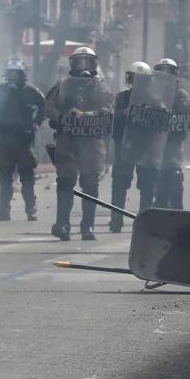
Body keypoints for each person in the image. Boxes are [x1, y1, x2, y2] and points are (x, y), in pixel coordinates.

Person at [45, 46, 114, 241]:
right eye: (79, 61)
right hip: (68, 140)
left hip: (91, 142)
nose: (83, 66)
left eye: (87, 61)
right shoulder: (62, 85)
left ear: (94, 64)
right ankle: (63, 224)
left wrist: (85, 115)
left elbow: (108, 111)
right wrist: (62, 117)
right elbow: (49, 107)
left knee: (90, 184)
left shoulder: (101, 86)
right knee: (65, 182)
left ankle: (88, 227)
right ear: (72, 64)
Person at [0, 58, 45, 222]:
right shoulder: (0, 90)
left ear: (23, 74)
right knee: (5, 177)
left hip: (23, 140)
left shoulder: (31, 91)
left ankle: (30, 209)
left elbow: (44, 106)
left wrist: (37, 122)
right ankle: (4, 210)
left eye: (17, 73)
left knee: (27, 178)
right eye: (11, 73)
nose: (14, 76)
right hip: (5, 139)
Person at [109, 61, 154, 233]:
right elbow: (111, 118)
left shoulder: (154, 99)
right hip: (125, 146)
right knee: (120, 184)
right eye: (136, 80)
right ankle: (116, 220)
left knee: (148, 185)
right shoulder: (121, 98)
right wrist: (124, 113)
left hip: (146, 148)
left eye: (142, 80)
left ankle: (145, 221)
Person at [152, 58, 190, 209]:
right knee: (158, 179)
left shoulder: (181, 95)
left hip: (173, 142)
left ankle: (177, 209)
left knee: (174, 176)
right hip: (156, 143)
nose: (165, 76)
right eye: (162, 72)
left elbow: (187, 115)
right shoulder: (152, 94)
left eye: (168, 72)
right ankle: (160, 208)